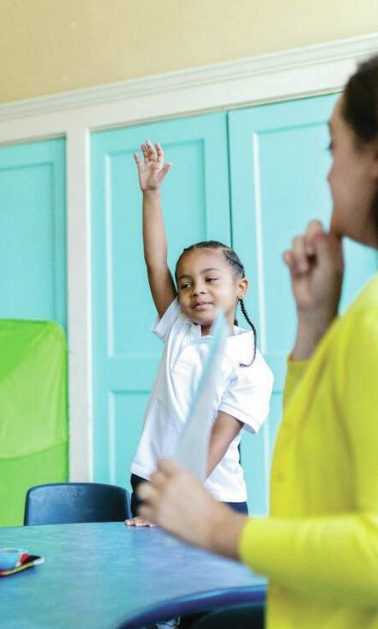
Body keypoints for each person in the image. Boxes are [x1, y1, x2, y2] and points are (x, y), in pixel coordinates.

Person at [130, 44, 378, 629]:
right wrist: (316, 321)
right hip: (334, 620)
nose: (328, 174)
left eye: (333, 149)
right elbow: (324, 456)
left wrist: (219, 530)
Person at [126, 141, 273, 525]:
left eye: (211, 279)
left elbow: (217, 440)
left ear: (241, 287)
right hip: (151, 482)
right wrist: (151, 194)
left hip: (212, 498)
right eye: (186, 284)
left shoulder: (251, 365)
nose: (197, 291)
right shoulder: (179, 326)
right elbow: (155, 262)